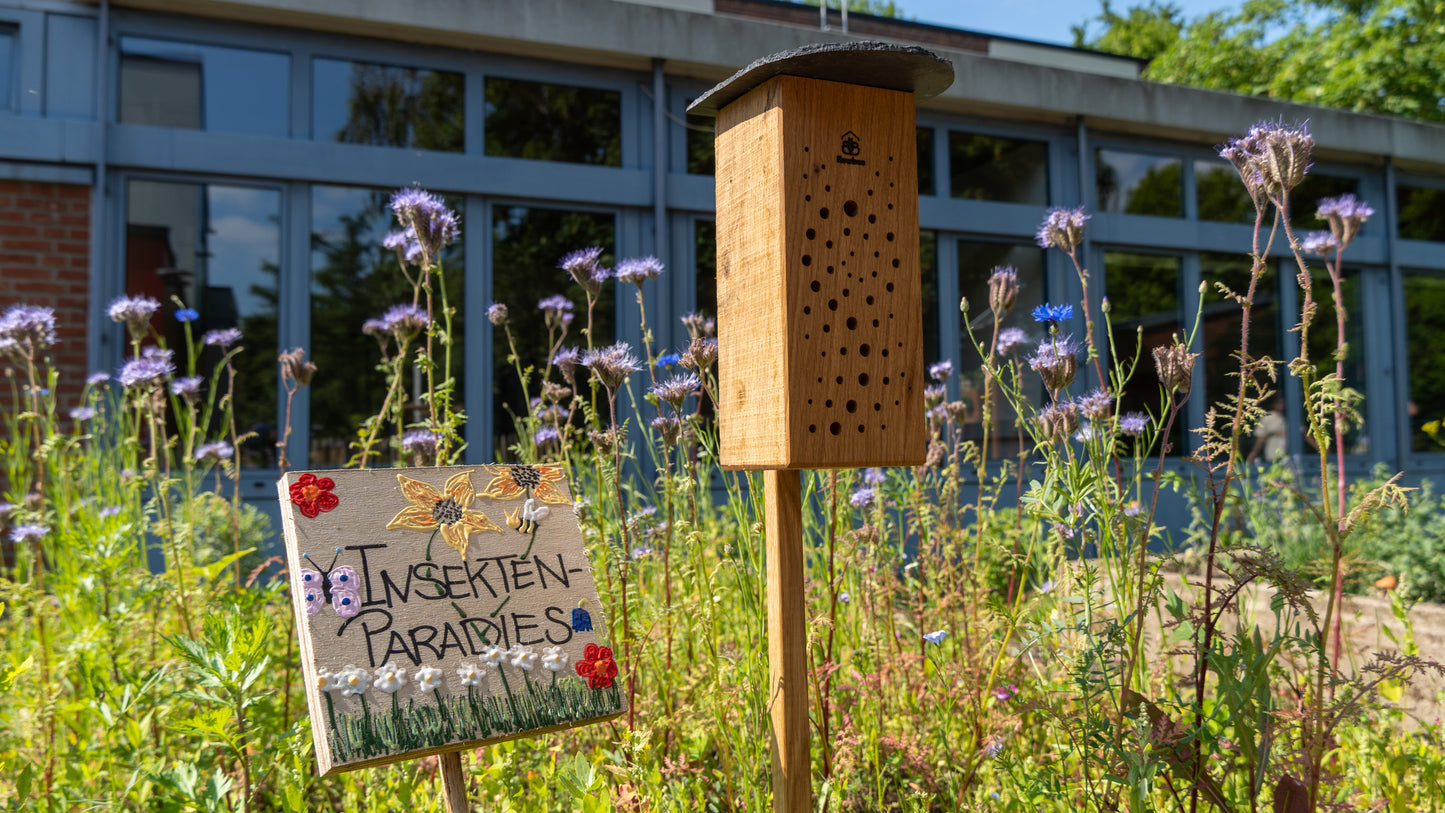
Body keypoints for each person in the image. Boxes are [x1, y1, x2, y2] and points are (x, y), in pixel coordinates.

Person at [1247, 397, 1288, 463]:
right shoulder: (1268, 417)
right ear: (1273, 404)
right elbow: (1260, 438)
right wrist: (1253, 454)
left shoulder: (1292, 416)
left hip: (1289, 455)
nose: (1282, 405)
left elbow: (1304, 433)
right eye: (1279, 402)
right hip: (1273, 454)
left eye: (1284, 402)